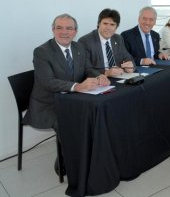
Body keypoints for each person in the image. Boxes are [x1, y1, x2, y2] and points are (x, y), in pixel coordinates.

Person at [23, 14, 110, 175]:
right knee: (71, 124)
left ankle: (92, 158)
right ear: (52, 30)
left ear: (75, 31)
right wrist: (77, 86)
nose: (64, 32)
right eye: (59, 28)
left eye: (69, 28)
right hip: (48, 103)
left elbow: (87, 68)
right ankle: (69, 164)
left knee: (97, 115)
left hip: (73, 100)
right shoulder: (42, 52)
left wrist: (98, 75)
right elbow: (47, 82)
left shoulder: (78, 47)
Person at [79, 8, 135, 77]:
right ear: (99, 23)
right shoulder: (85, 41)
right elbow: (86, 69)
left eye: (112, 24)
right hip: (99, 80)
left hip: (119, 77)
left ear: (116, 27)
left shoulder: (118, 38)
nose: (108, 28)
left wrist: (130, 67)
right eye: (105, 23)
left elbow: (128, 58)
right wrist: (106, 73)